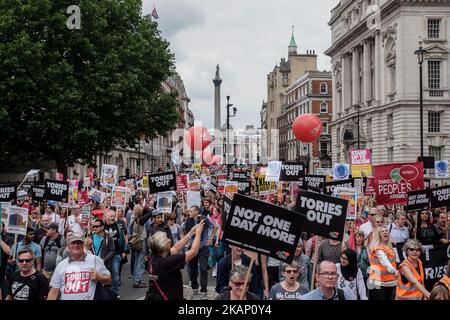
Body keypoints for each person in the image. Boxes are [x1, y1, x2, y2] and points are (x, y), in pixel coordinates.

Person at [145, 221, 205, 300]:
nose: (169, 240)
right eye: (167, 240)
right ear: (162, 246)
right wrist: (198, 233)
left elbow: (176, 248)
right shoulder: (166, 262)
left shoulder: (154, 256)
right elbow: (193, 252)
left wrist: (190, 233)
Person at [47, 234, 111, 300]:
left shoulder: (94, 260)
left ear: (83, 245)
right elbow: (54, 292)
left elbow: (109, 279)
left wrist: (99, 277)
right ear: (68, 246)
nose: (76, 245)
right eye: (73, 243)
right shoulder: (61, 265)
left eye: (79, 243)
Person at [182, 205, 214, 299]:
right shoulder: (188, 221)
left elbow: (214, 226)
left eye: (191, 211)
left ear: (196, 211)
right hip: (192, 247)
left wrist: (210, 238)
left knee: (203, 268)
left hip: (203, 247)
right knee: (193, 269)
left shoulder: (204, 219)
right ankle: (195, 288)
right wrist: (198, 230)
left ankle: (204, 290)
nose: (189, 213)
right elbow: (189, 232)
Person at [367, 226, 398, 300]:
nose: (385, 232)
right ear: (378, 235)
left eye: (386, 231)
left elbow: (395, 261)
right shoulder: (378, 248)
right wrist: (393, 271)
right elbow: (385, 262)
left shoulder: (390, 247)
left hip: (390, 281)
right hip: (377, 282)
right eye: (382, 231)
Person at [103, 209, 126, 297]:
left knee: (115, 273)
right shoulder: (102, 227)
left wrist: (123, 251)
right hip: (105, 254)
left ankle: (114, 292)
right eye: (111, 216)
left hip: (116, 253)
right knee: (106, 273)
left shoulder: (118, 227)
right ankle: (106, 292)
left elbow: (123, 239)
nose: (113, 218)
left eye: (113, 216)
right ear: (106, 217)